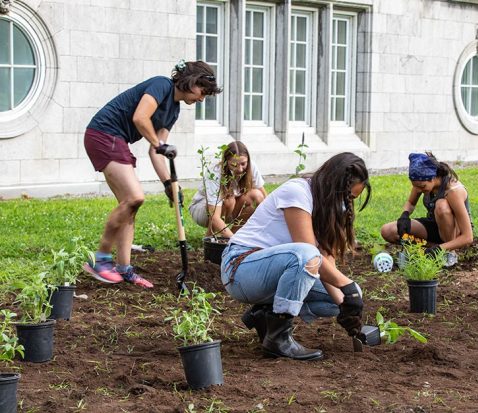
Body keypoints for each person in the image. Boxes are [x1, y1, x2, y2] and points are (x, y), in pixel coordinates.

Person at [82, 60, 222, 288]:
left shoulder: (173, 111)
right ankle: (100, 259)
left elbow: (156, 151)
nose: (201, 99)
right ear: (191, 81)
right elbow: (140, 118)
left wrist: (168, 183)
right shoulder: (161, 85)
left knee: (131, 205)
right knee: (134, 197)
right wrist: (159, 143)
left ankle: (124, 268)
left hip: (117, 139)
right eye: (202, 92)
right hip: (104, 133)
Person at [220, 152, 371, 361]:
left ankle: (266, 316)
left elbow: (325, 259)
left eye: (351, 199)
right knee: (307, 255)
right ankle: (278, 338)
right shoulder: (297, 192)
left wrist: (345, 305)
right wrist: (347, 284)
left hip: (271, 270)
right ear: (333, 185)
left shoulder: (324, 207)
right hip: (241, 268)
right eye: (346, 197)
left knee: (340, 298)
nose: (346, 203)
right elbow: (309, 253)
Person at [380, 152, 473, 265]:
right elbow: (411, 202)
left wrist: (441, 248)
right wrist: (404, 215)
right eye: (415, 186)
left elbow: (468, 237)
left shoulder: (453, 191)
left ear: (433, 178)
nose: (419, 189)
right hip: (434, 225)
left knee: (441, 206)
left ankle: (449, 253)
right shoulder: (421, 182)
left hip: (456, 232)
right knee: (388, 231)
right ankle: (431, 250)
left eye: (422, 187)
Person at [188, 141, 267, 238]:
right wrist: (235, 240)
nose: (240, 169)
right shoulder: (215, 172)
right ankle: (210, 239)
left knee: (256, 195)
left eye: (243, 164)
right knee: (228, 200)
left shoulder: (251, 167)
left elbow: (265, 201)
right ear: (226, 162)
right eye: (234, 165)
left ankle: (229, 238)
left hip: (229, 210)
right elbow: (214, 217)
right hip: (202, 211)